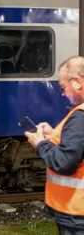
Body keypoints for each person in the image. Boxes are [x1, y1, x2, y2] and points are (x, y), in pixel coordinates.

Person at [25, 56, 84, 235]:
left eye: (63, 87)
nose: (63, 94)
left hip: (75, 212)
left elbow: (64, 162)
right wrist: (53, 135)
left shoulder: (80, 116)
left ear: (77, 82)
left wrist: (41, 143)